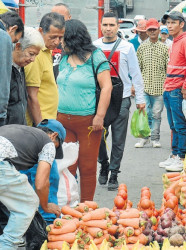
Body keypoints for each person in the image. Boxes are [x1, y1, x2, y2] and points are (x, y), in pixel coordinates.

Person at [57, 19, 112, 201]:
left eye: (63, 37)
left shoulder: (96, 56)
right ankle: (70, 205)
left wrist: (100, 116)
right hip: (63, 122)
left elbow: (107, 87)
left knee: (87, 167)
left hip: (89, 122)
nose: (60, 41)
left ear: (72, 37)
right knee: (68, 166)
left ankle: (86, 207)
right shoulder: (64, 58)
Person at [93, 12, 145, 190]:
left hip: (121, 99)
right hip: (100, 100)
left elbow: (136, 74)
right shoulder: (94, 47)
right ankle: (104, 164)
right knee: (98, 136)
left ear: (117, 27)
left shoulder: (127, 47)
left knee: (118, 139)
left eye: (112, 25)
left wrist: (140, 99)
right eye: (105, 25)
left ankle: (114, 172)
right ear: (101, 26)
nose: (108, 28)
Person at [0, 119, 65, 249]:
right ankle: (7, 245)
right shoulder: (48, 144)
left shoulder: (20, 131)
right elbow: (41, 183)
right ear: (54, 136)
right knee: (28, 203)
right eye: (57, 146)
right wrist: (45, 206)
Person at [159, 11, 186, 172]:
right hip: (169, 88)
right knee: (174, 126)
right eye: (168, 23)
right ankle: (174, 155)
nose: (169, 26)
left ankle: (181, 158)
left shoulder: (185, 41)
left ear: (181, 24)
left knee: (180, 126)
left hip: (177, 89)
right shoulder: (175, 41)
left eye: (173, 22)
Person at [25, 12, 65, 126]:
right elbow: (31, 96)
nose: (57, 42)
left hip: (49, 120)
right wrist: (41, 128)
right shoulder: (35, 55)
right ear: (41, 31)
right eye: (52, 37)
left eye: (60, 37)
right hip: (40, 123)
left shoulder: (47, 50)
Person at [135, 18, 168, 148]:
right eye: (150, 30)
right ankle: (144, 137)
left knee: (156, 114)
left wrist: (167, 85)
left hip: (160, 88)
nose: (153, 32)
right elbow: (138, 68)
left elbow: (167, 68)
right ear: (147, 32)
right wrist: (135, 85)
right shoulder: (142, 48)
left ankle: (155, 138)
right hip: (145, 87)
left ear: (159, 31)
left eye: (155, 29)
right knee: (145, 113)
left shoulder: (164, 48)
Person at [7, 27, 44, 125]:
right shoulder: (5, 70)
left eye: (36, 55)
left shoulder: (21, 68)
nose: (33, 59)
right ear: (18, 47)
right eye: (31, 54)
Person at [0, 12, 24, 127]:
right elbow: (3, 84)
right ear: (13, 28)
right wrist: (2, 116)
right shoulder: (3, 38)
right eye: (14, 41)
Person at [51, 3, 71, 80]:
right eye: (54, 17)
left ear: (69, 18)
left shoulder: (75, 41)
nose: (57, 20)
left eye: (61, 17)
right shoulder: (43, 40)